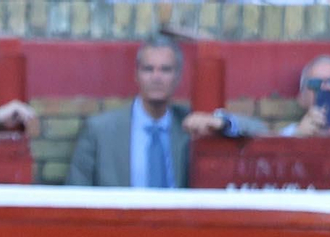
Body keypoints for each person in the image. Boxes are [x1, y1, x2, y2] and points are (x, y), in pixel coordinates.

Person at [67, 35, 265, 188]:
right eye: (148, 69)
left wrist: (222, 122)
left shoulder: (190, 123)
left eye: (165, 70)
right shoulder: (100, 131)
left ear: (178, 76)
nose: (157, 77)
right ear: (136, 75)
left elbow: (261, 131)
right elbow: (74, 195)